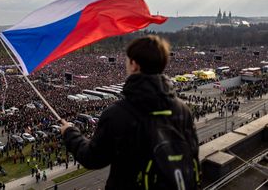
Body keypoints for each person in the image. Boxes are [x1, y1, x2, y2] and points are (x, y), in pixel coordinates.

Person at [60, 35, 200, 190]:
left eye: (127, 61)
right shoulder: (182, 109)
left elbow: (93, 158)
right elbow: (193, 153)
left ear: (134, 65)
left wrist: (70, 133)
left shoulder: (117, 114)